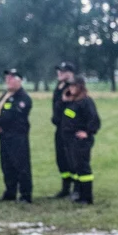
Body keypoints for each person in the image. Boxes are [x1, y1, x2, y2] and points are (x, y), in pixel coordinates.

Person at [0, 69, 33, 203]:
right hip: (4, 136)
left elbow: (11, 115)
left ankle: (25, 194)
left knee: (21, 165)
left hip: (17, 136)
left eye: (12, 78)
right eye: (7, 77)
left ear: (19, 80)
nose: (8, 80)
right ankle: (10, 192)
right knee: (7, 165)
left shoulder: (23, 98)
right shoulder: (5, 95)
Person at [59, 76, 101, 205]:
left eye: (74, 86)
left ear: (81, 87)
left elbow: (94, 120)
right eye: (69, 86)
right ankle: (79, 193)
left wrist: (87, 132)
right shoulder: (72, 102)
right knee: (75, 167)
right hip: (69, 139)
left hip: (80, 141)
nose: (71, 88)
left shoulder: (86, 102)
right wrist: (64, 100)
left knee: (83, 168)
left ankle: (87, 197)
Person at [51, 62, 76, 197]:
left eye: (63, 71)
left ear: (70, 73)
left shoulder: (72, 88)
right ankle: (65, 187)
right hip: (59, 127)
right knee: (61, 158)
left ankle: (77, 188)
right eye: (58, 70)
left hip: (70, 128)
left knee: (72, 158)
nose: (59, 73)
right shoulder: (59, 86)